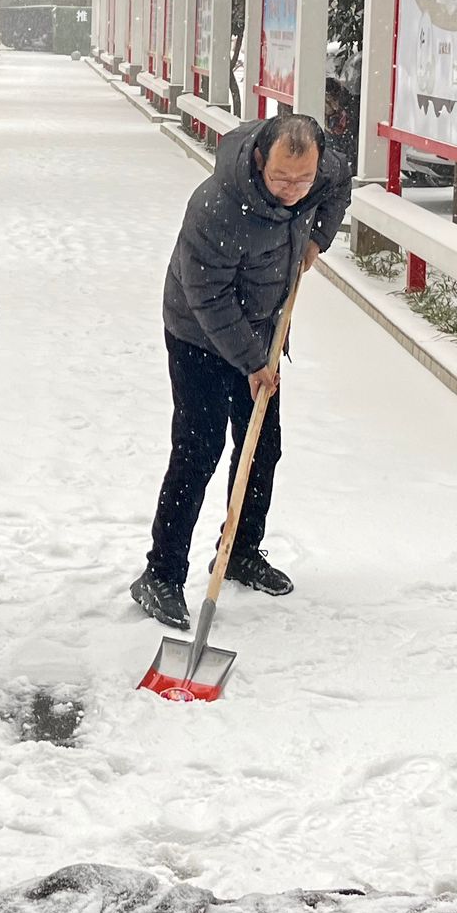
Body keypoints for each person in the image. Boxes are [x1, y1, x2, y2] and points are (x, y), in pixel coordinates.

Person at [131, 112, 351, 628]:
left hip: (265, 323)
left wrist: (320, 236)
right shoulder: (216, 207)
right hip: (199, 332)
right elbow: (206, 295)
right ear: (259, 160)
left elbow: (338, 190)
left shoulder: (322, 172)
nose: (294, 190)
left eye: (303, 179)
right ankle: (160, 573)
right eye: (281, 179)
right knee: (198, 450)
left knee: (261, 446)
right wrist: (253, 361)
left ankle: (239, 551)